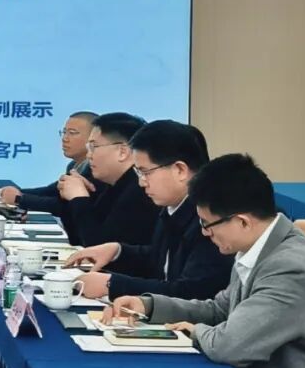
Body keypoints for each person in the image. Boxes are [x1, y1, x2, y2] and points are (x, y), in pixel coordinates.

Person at [104, 154, 305, 368]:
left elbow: (229, 346)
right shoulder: (259, 245)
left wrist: (194, 331)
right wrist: (149, 306)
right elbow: (220, 309)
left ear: (242, 221)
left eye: (207, 224)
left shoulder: (289, 267)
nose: (205, 233)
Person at [65, 120, 231, 300]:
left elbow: (190, 293)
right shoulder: (172, 206)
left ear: (180, 170)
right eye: (138, 173)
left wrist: (112, 285)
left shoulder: (211, 218)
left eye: (145, 172)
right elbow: (158, 260)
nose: (141, 182)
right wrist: (117, 251)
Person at [59, 112, 158, 246]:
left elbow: (100, 247)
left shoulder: (140, 190)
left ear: (122, 152)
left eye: (94, 147)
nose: (89, 155)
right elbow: (77, 237)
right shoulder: (112, 184)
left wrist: (79, 198)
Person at [0, 111, 98, 214]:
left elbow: (64, 206)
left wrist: (20, 199)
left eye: (72, 133)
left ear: (93, 138)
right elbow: (51, 191)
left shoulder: (96, 170)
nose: (65, 139)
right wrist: (16, 193)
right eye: (64, 132)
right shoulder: (74, 165)